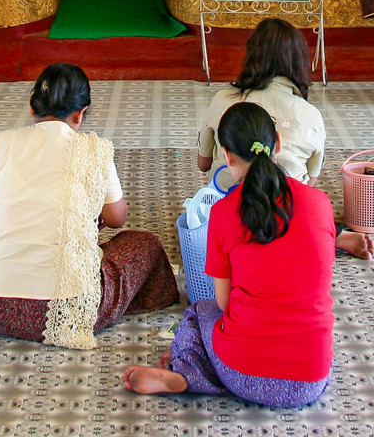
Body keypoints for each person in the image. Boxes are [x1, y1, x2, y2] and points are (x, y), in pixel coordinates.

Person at [123, 101, 334, 407]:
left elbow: (223, 302)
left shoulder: (223, 213)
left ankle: (188, 372)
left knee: (200, 312)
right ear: (278, 142)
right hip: (309, 381)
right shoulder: (319, 203)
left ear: (226, 156)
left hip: (240, 374)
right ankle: (199, 374)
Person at [0, 64, 178, 348]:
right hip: (69, 309)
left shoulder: (3, 142)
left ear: (32, 107)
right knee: (143, 245)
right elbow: (117, 217)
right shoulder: (94, 150)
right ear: (80, 114)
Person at [195, 18, 371, 258]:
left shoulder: (223, 100)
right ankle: (329, 235)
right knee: (309, 209)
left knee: (205, 215)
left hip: (226, 213)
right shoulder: (311, 116)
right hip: (287, 220)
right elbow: (309, 182)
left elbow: (203, 164)